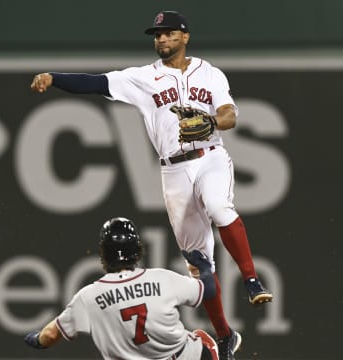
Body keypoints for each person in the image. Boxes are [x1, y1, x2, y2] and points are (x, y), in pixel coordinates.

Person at [30, 10, 273, 360]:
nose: (161, 39)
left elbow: (229, 116)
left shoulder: (211, 73)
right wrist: (54, 78)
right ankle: (225, 335)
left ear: (185, 37)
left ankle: (251, 280)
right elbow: (97, 83)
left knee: (220, 207)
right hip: (173, 170)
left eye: (169, 33)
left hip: (210, 156)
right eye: (157, 34)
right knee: (199, 267)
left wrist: (209, 121)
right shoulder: (143, 78)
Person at [24, 217, 220, 360]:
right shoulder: (161, 278)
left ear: (103, 253)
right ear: (136, 250)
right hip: (182, 357)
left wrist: (36, 340)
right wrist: (203, 267)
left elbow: (49, 335)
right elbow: (209, 290)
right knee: (201, 339)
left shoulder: (88, 297)